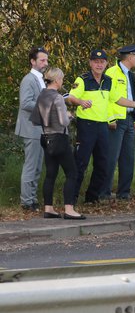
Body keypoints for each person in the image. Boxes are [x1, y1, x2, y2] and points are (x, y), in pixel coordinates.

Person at [65, 49, 135, 204]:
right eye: (95, 62)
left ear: (105, 64)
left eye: (102, 62)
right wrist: (80, 102)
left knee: (103, 163)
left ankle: (92, 197)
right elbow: (70, 97)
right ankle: (72, 198)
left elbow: (117, 99)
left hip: (102, 127)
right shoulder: (83, 79)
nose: (99, 65)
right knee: (81, 163)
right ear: (90, 63)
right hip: (87, 126)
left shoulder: (108, 80)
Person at [29, 67, 85, 219]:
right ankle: (69, 210)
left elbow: (37, 118)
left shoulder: (42, 95)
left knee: (50, 174)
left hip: (45, 138)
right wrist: (70, 115)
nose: (62, 81)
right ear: (57, 80)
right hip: (59, 139)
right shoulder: (58, 97)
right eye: (61, 78)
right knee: (72, 173)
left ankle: (48, 208)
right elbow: (63, 121)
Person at [103, 44, 135, 200]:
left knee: (128, 158)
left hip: (128, 119)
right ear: (129, 57)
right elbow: (106, 98)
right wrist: (110, 118)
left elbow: (133, 96)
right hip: (115, 120)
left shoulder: (130, 75)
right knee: (111, 158)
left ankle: (124, 193)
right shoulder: (111, 72)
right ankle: (104, 193)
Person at [15, 46, 49, 211]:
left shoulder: (41, 79)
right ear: (33, 61)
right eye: (42, 60)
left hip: (39, 128)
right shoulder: (29, 79)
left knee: (37, 165)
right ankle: (26, 202)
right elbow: (26, 103)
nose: (45, 63)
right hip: (31, 127)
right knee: (31, 165)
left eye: (46, 60)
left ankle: (32, 199)